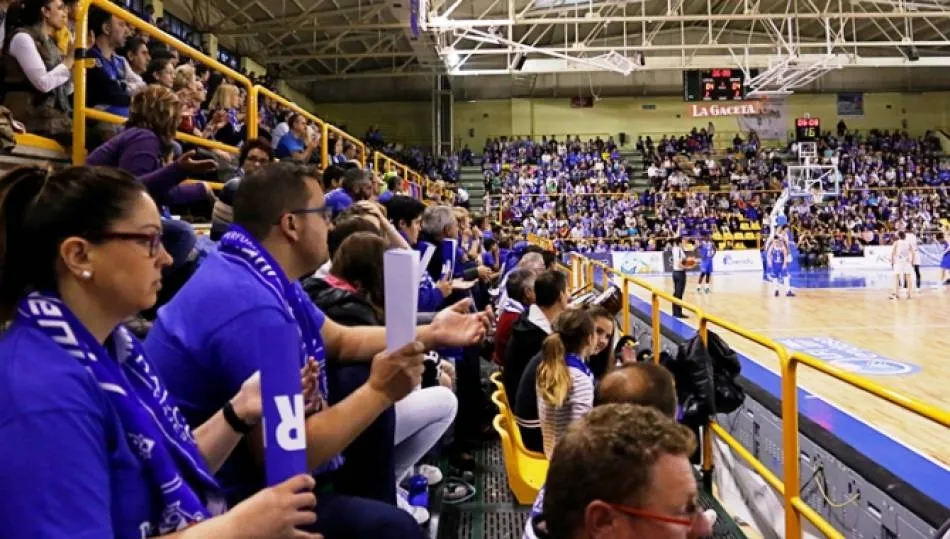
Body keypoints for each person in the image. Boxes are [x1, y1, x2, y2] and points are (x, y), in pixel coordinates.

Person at [145, 162, 489, 538]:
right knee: (394, 528)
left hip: (241, 474)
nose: (330, 224)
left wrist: (433, 333)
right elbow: (285, 457)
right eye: (323, 214)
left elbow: (340, 339)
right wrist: (378, 393)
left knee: (354, 372)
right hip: (226, 507)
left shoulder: (260, 275)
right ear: (291, 224)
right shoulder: (254, 307)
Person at [0, 165, 321, 538]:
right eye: (150, 240)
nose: (167, 258)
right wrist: (237, 528)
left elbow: (166, 466)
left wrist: (239, 411)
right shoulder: (42, 393)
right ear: (79, 255)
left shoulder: (112, 349)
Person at [304, 232, 458, 525]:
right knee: (444, 398)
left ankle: (392, 486)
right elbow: (393, 371)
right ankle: (392, 486)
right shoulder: (352, 312)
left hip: (331, 433)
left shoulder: (315, 291)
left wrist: (434, 337)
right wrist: (431, 366)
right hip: (345, 432)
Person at [1, 0, 74, 145]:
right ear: (45, 12)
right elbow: (43, 83)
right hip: (28, 113)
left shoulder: (52, 44)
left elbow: (66, 90)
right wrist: (68, 61)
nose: (65, 14)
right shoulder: (22, 38)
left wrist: (75, 67)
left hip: (51, 115)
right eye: (60, 9)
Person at [503, 269, 568, 402]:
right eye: (567, 291)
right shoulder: (539, 339)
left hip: (517, 399)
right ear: (561, 296)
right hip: (529, 412)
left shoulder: (527, 319)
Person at [890, 230, 915, 300]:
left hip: (898, 261)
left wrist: (892, 261)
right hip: (907, 261)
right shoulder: (908, 243)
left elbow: (893, 253)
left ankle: (897, 294)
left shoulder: (896, 243)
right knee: (908, 277)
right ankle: (909, 294)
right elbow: (913, 253)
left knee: (896, 277)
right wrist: (912, 261)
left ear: (898, 236)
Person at [670, 236, 687, 318]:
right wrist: (689, 267)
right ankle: (678, 313)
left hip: (674, 273)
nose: (685, 242)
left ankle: (675, 312)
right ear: (680, 242)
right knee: (679, 294)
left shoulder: (674, 248)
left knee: (676, 293)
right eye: (683, 241)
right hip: (680, 273)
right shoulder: (679, 250)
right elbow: (679, 264)